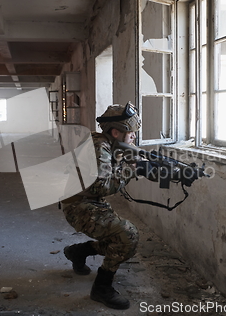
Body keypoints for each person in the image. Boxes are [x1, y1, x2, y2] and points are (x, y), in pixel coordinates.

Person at [60, 102, 162, 310]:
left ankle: (79, 252)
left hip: (89, 201)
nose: (133, 137)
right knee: (128, 235)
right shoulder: (99, 148)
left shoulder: (107, 144)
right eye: (130, 132)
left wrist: (144, 165)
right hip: (78, 206)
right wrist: (132, 170)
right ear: (116, 132)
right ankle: (102, 288)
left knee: (121, 240)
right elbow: (101, 186)